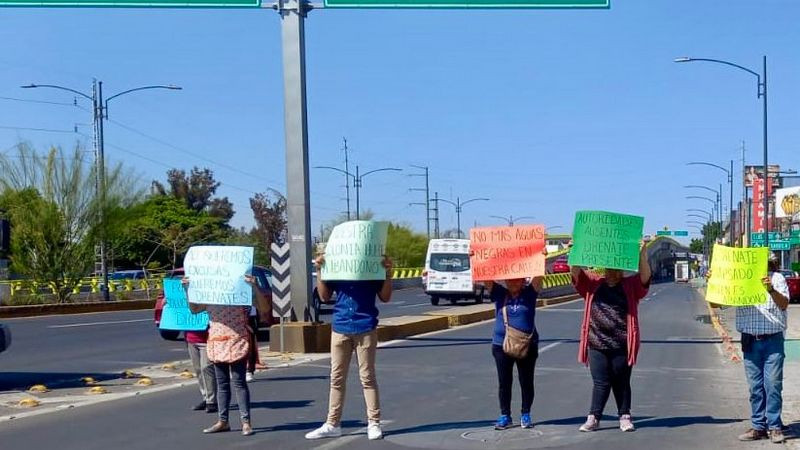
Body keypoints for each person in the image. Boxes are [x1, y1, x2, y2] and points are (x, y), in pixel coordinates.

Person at [305, 254, 394, 441]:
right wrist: (320, 270)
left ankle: (374, 423)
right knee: (336, 378)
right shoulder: (339, 265)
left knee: (367, 377)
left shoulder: (372, 265)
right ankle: (332, 424)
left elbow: (385, 297)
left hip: (365, 327)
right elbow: (324, 296)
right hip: (340, 327)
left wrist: (387, 273)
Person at [570, 239, 651, 433]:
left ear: (622, 269)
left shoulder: (630, 285)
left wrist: (642, 255)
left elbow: (645, 277)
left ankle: (625, 416)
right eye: (610, 268)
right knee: (600, 382)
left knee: (621, 381)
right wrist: (575, 252)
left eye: (616, 268)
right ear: (604, 268)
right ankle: (593, 418)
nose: (613, 272)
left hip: (621, 344)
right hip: (596, 344)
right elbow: (575, 274)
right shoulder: (593, 283)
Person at [186, 274, 269, 437]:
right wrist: (187, 289)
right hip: (217, 342)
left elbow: (264, 308)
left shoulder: (241, 294)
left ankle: (246, 422)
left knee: (239, 383)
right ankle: (223, 421)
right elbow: (194, 309)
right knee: (222, 384)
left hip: (237, 341)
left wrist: (255, 286)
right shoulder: (210, 296)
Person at [734, 252, 790, 444]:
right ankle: (758, 426)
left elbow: (784, 304)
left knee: (773, 385)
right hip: (750, 341)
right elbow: (717, 303)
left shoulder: (777, 279)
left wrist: (770, 289)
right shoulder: (740, 282)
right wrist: (715, 283)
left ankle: (774, 426)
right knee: (755, 387)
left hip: (772, 340)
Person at [485, 273, 544, 430]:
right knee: (504, 382)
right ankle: (505, 415)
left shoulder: (529, 293)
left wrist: (541, 260)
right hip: (501, 345)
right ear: (505, 280)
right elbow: (486, 278)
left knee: (526, 381)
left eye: (517, 279)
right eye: (510, 279)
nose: (513, 282)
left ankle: (526, 413)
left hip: (526, 345)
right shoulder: (499, 293)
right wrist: (478, 261)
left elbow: (539, 276)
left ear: (523, 280)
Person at [185, 327, 217, 414]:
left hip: (207, 340)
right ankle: (205, 398)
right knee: (198, 370)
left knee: (206, 368)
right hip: (191, 339)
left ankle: (211, 400)